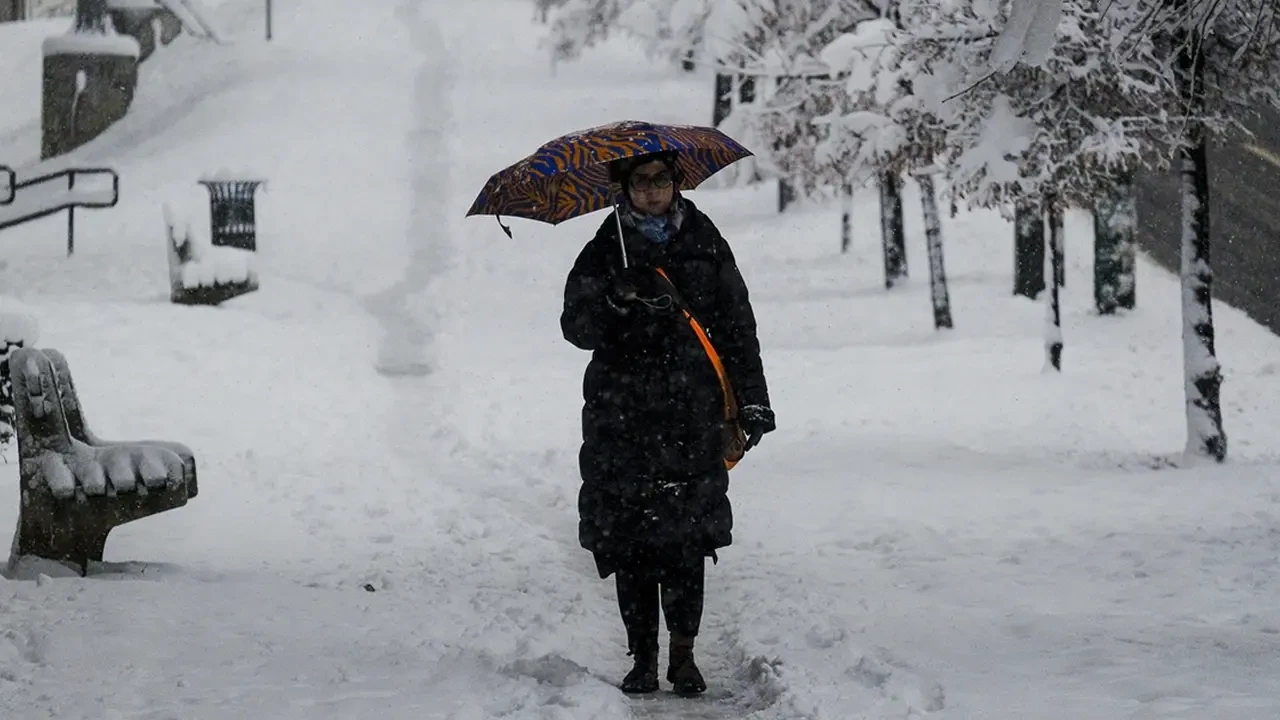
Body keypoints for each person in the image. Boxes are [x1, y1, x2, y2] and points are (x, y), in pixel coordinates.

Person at [559, 150, 776, 695]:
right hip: (622, 416)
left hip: (690, 413)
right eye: (641, 183)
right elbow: (575, 326)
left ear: (677, 183)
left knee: (686, 541)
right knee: (630, 542)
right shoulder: (605, 251)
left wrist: (753, 400)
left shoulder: (704, 244)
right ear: (624, 189)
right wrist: (617, 301)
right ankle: (643, 658)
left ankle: (683, 655)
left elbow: (736, 325)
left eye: (661, 181)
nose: (652, 192)